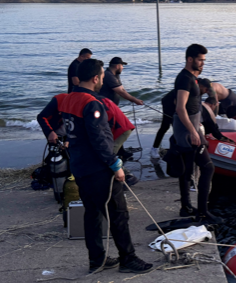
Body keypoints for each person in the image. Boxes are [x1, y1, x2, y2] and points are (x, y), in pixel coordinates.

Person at [59, 59, 152, 274]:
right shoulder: (92, 103)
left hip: (79, 166)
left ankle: (97, 260)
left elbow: (71, 133)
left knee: (92, 213)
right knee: (118, 213)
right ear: (95, 78)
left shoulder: (68, 99)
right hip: (98, 169)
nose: (103, 80)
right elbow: (99, 138)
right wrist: (115, 164)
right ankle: (127, 259)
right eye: (101, 76)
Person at [172, 44, 222, 224]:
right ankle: (203, 212)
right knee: (208, 168)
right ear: (190, 59)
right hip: (187, 132)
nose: (203, 63)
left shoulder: (192, 78)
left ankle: (186, 206)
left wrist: (198, 122)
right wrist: (193, 131)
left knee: (186, 170)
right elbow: (180, 107)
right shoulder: (184, 79)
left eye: (204, 60)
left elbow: (192, 105)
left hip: (189, 127)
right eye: (200, 60)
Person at [150, 89, 176, 163]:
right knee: (166, 126)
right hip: (169, 103)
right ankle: (154, 149)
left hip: (176, 102)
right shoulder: (188, 83)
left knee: (176, 128)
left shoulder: (197, 86)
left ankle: (175, 149)